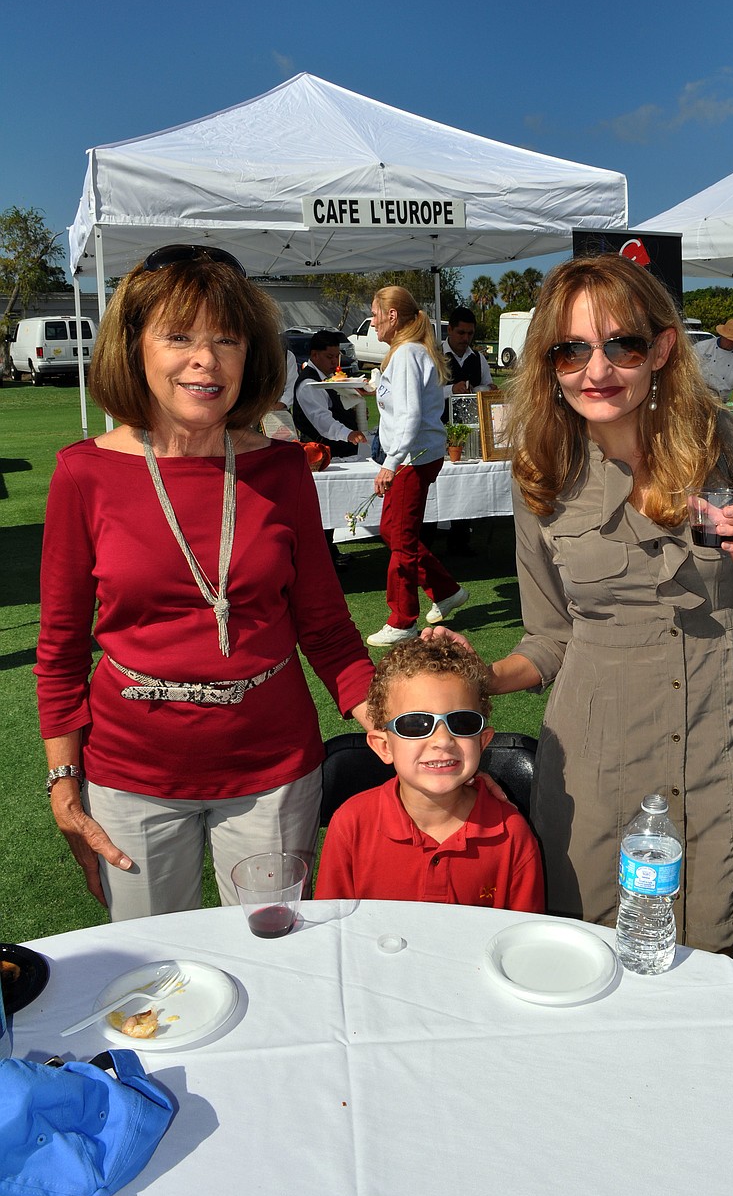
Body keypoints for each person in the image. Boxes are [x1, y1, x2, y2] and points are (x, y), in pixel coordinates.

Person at [426, 254, 733, 953]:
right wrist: (483, 674)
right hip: (597, 748)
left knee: (709, 947)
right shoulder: (539, 472)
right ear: (549, 363)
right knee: (596, 944)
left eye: (621, 344)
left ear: (661, 348)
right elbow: (549, 637)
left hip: (715, 727)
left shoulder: (717, 440)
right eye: (571, 350)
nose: (596, 370)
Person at [35, 244, 374, 922]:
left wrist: (398, 724)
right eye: (180, 335)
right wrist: (64, 778)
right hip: (131, 774)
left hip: (274, 770)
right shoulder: (83, 473)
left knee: (277, 957)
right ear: (135, 348)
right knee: (156, 972)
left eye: (227, 338)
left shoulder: (280, 471)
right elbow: (62, 646)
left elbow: (328, 629)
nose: (205, 358)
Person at [315, 638, 544, 911]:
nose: (443, 740)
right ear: (384, 746)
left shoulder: (512, 834)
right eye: (415, 724)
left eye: (461, 722)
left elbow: (524, 943)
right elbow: (332, 932)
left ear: (482, 741)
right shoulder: (351, 825)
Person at [366, 286, 469, 647]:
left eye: (376, 314)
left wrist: (391, 463)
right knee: (393, 531)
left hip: (411, 458)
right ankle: (446, 591)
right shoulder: (408, 352)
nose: (373, 322)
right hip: (416, 456)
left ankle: (402, 620)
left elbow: (410, 414)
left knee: (402, 541)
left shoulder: (407, 354)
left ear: (393, 316)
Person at [292, 330, 367, 572]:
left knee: (331, 504)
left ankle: (328, 550)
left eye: (337, 356)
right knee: (321, 505)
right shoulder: (308, 383)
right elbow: (322, 420)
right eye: (330, 357)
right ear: (314, 355)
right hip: (317, 452)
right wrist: (348, 434)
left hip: (337, 448)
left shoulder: (329, 377)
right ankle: (319, 557)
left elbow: (347, 403)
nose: (335, 362)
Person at [439, 306, 494, 556]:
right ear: (449, 329)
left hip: (470, 427)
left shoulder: (478, 358)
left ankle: (461, 537)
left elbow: (486, 385)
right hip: (438, 426)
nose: (466, 338)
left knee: (465, 482)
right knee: (438, 482)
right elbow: (423, 393)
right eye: (461, 332)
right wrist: (452, 390)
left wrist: (483, 389)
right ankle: (430, 535)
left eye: (470, 333)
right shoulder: (435, 355)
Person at [692, 318, 733, 401]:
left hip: (722, 400)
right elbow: (686, 370)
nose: (732, 343)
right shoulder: (701, 348)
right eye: (729, 340)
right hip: (697, 397)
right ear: (722, 335)